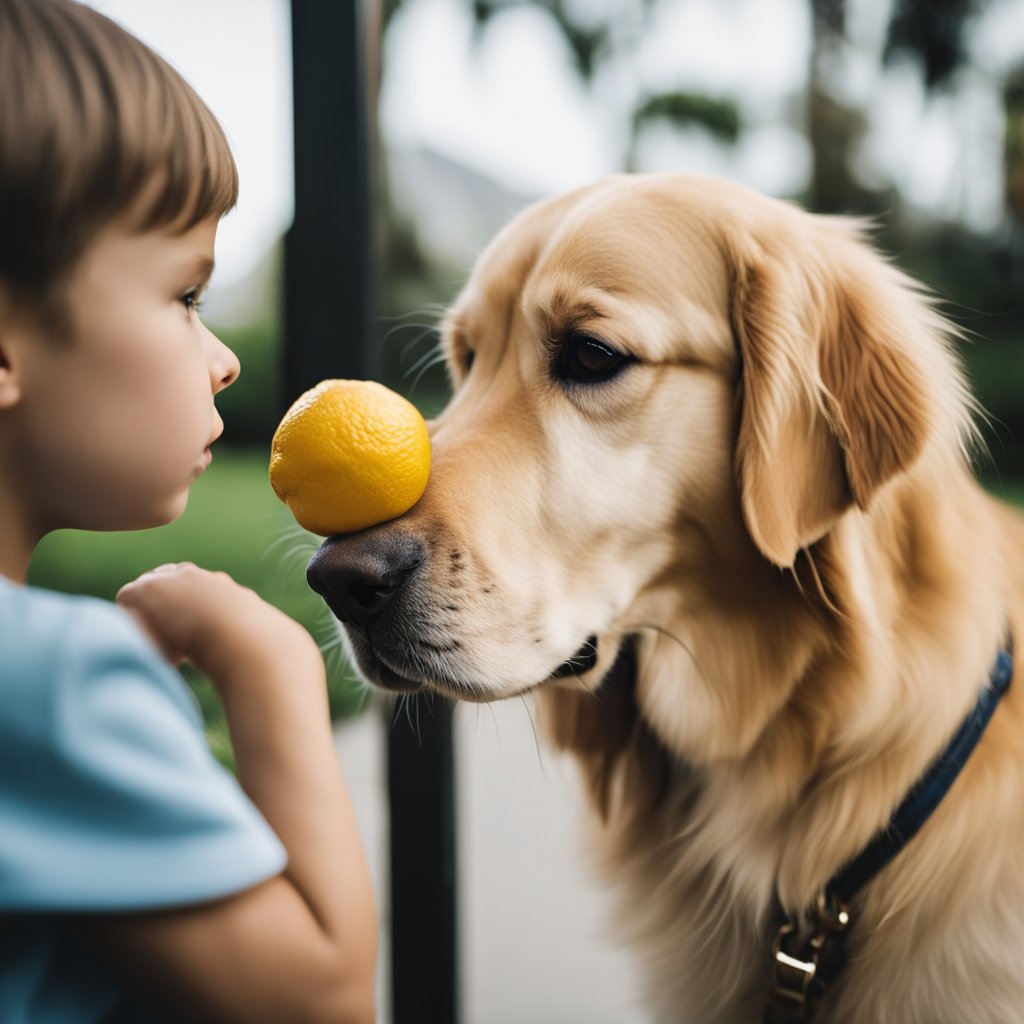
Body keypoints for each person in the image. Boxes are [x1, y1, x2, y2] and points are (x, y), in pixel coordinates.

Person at [0, 1, 377, 1021]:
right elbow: (323, 999)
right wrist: (269, 665)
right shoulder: (49, 680)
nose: (225, 359)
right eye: (185, 294)